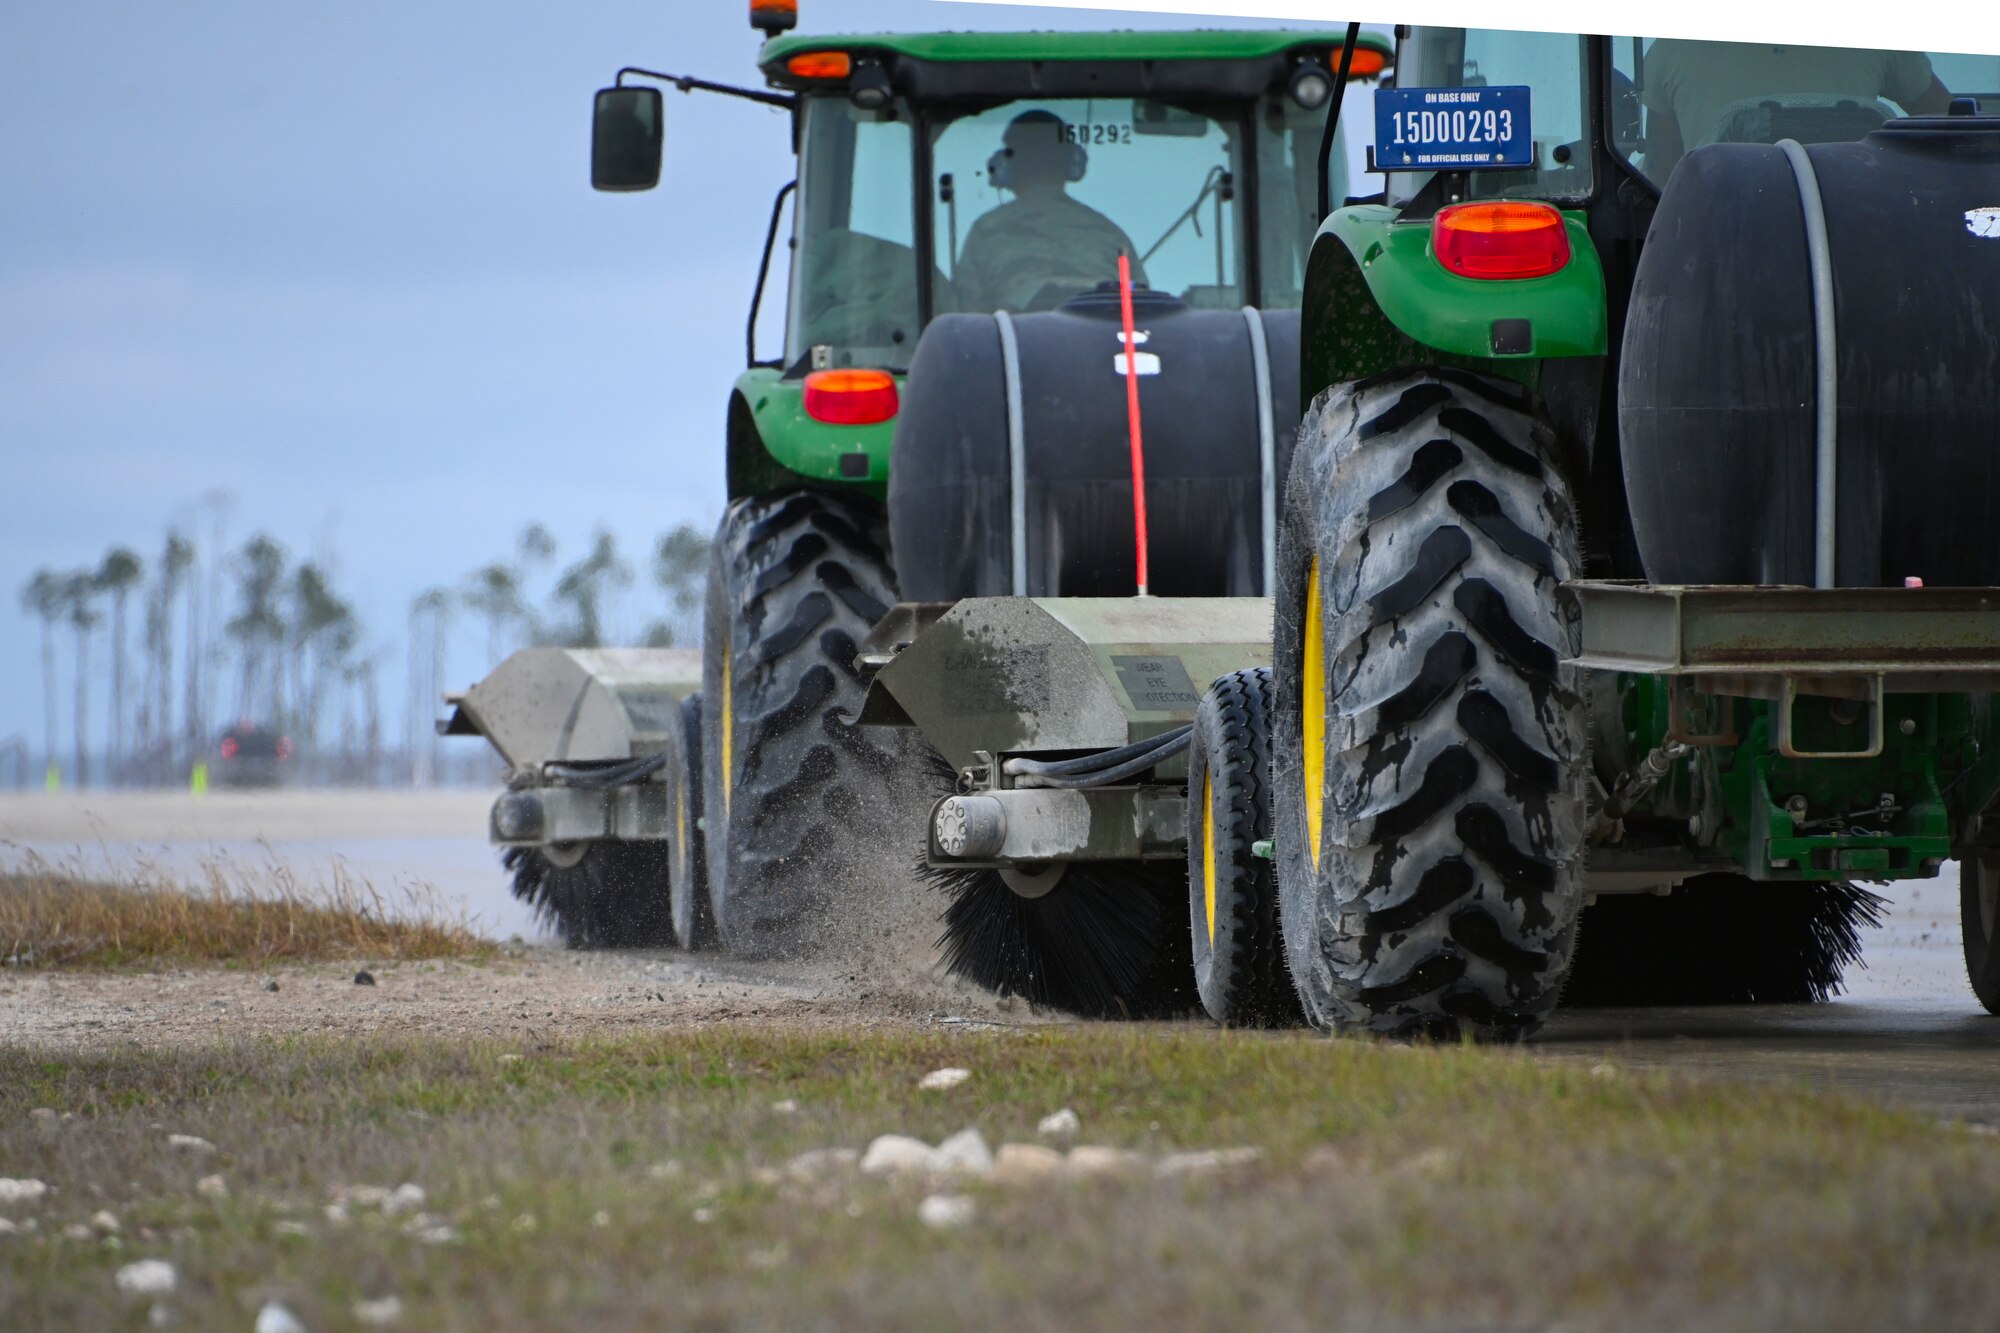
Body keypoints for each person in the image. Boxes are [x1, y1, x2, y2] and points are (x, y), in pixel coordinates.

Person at [1641, 40, 1953, 178]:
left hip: (1723, 244)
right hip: (1857, 234)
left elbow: (1664, 172)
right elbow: (1952, 124)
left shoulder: (1671, 48)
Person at [954, 109, 1149, 313]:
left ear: (1009, 162)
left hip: (1016, 343)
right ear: (1070, 161)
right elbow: (1145, 311)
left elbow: (967, 319)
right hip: (1106, 344)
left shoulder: (986, 231)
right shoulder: (1112, 235)